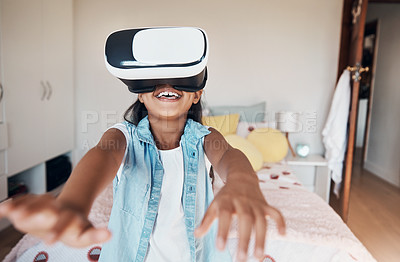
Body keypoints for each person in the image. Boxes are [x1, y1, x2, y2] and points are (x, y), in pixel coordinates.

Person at [0, 27, 286, 261]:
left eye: (179, 78)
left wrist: (243, 181)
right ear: (139, 94)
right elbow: (102, 156)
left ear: (196, 94)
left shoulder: (205, 137)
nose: (166, 84)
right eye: (153, 79)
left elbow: (229, 157)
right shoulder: (122, 136)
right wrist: (73, 204)